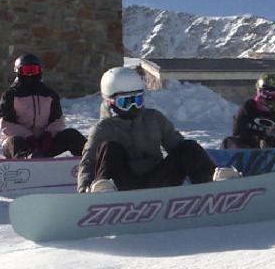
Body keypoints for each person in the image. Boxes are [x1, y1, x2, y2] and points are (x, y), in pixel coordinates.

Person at [77, 66, 239, 193]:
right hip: (122, 184)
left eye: (137, 100)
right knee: (109, 148)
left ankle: (213, 183)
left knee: (187, 146)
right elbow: (88, 161)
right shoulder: (103, 128)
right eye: (126, 102)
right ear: (110, 102)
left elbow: (179, 146)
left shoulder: (154, 118)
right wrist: (84, 189)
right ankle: (102, 192)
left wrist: (196, 162)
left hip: (157, 179)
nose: (133, 107)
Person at [0, 53, 85, 159]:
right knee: (15, 142)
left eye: (34, 70)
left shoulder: (49, 94)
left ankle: (93, 160)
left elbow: (58, 120)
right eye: (27, 71)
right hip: (20, 142)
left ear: (40, 72)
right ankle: (26, 161)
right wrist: (28, 136)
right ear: (19, 72)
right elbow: (6, 124)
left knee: (72, 135)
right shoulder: (10, 95)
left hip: (44, 143)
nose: (30, 75)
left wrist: (48, 134)